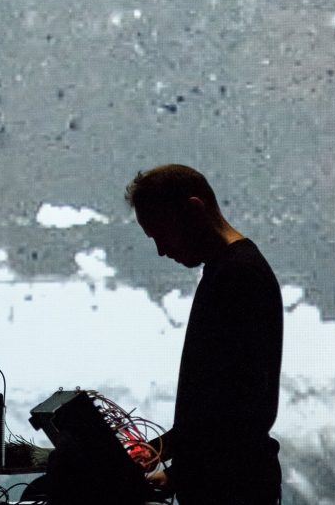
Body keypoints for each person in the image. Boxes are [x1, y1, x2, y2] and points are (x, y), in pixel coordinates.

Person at [125, 164, 283, 504]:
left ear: (194, 210)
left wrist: (176, 466)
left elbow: (238, 406)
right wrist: (160, 452)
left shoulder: (238, 277)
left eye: (161, 234)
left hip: (233, 488)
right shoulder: (231, 271)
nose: (161, 251)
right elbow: (215, 403)